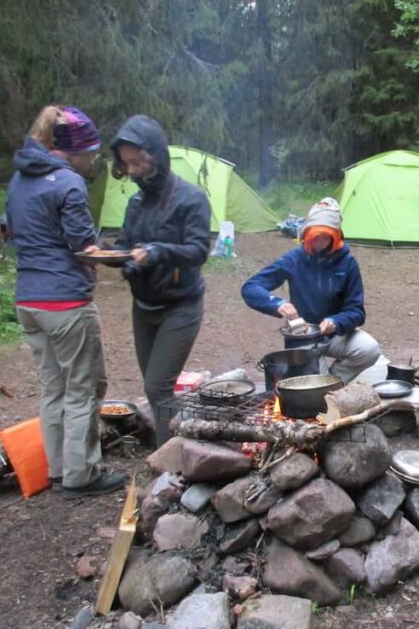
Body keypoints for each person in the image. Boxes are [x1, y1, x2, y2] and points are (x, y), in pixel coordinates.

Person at [5, 106, 127, 498]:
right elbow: (84, 247)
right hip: (65, 304)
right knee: (84, 387)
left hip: (28, 301)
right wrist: (128, 256)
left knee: (53, 387)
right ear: (73, 151)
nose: (93, 159)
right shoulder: (68, 183)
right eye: (91, 151)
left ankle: (58, 470)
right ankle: (81, 475)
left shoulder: (20, 180)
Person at [109, 115, 211, 446]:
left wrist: (157, 252)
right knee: (154, 386)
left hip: (180, 305)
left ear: (156, 155)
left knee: (157, 386)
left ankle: (171, 461)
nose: (133, 170)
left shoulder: (190, 198)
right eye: (127, 164)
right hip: (144, 306)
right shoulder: (136, 202)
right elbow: (126, 245)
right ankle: (175, 443)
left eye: (138, 161)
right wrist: (117, 259)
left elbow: (197, 251)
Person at [241, 197, 381, 384]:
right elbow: (251, 288)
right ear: (306, 236)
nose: (320, 243)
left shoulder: (347, 264)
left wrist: (336, 321)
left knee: (369, 348)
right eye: (315, 237)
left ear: (335, 237)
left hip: (335, 334)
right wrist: (277, 303)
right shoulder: (294, 259)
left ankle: (333, 383)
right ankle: (324, 386)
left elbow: (356, 311)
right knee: (311, 387)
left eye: (326, 237)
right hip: (303, 338)